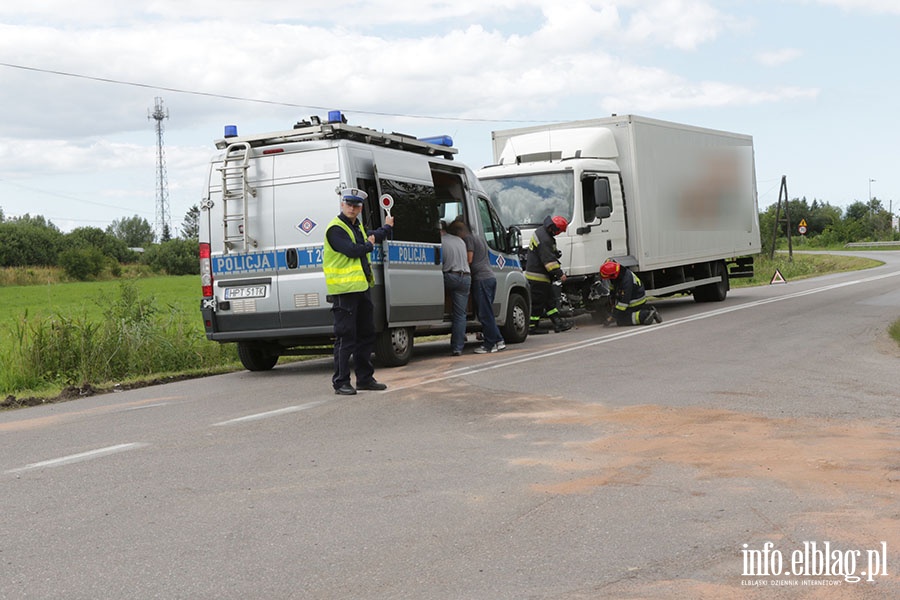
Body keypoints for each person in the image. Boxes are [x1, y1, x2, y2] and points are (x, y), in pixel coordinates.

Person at [323, 187, 394, 395]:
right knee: (346, 337)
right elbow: (353, 250)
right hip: (344, 292)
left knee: (366, 334)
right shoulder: (335, 229)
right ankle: (341, 382)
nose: (352, 208)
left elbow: (371, 237)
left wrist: (386, 228)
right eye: (349, 204)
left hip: (361, 289)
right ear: (342, 204)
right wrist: (370, 244)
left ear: (360, 208)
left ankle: (365, 378)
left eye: (356, 205)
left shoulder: (357, 227)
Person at [456, 219, 506, 354]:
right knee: (487, 312)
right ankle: (498, 340)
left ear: (461, 232)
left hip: (481, 279)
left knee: (484, 314)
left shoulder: (468, 239)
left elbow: (470, 259)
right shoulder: (479, 238)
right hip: (489, 277)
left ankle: (490, 344)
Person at [525, 215, 573, 334]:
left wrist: (555, 252)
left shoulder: (541, 232)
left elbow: (546, 252)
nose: (558, 234)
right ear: (554, 228)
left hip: (538, 275)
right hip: (538, 277)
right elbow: (549, 262)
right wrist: (560, 274)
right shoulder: (546, 239)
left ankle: (558, 324)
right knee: (537, 304)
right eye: (559, 231)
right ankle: (531, 327)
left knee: (550, 301)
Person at [599, 260, 662, 325]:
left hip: (636, 301)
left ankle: (646, 314)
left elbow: (624, 302)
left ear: (613, 275)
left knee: (622, 320)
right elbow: (613, 288)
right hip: (632, 297)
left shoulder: (626, 281)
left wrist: (613, 316)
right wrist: (611, 298)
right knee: (620, 315)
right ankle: (646, 310)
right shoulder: (617, 274)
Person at [442, 220, 471, 356]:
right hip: (465, 276)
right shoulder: (460, 241)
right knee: (460, 315)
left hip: (451, 276)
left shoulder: (441, 242)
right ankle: (457, 348)